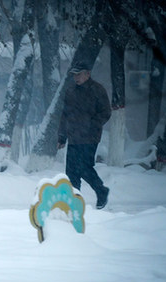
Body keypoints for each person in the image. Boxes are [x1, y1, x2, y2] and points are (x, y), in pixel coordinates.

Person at [57, 61, 112, 209]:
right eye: (74, 75)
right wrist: (62, 136)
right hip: (73, 137)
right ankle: (74, 201)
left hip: (89, 137)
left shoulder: (97, 90)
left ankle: (101, 191)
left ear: (88, 74)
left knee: (84, 168)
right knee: (71, 171)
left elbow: (106, 112)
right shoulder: (71, 91)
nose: (76, 78)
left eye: (79, 74)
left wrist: (92, 125)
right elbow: (65, 114)